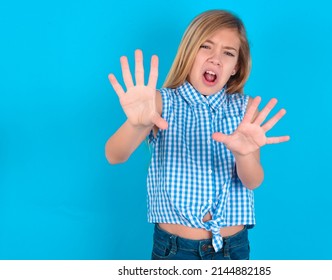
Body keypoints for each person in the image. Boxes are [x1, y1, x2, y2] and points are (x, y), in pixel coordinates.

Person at [105, 9, 290, 260]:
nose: (216, 59)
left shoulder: (245, 111)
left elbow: (253, 181)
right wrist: (137, 125)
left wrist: (243, 154)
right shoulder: (160, 103)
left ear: (236, 67)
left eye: (228, 53)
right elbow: (115, 155)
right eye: (206, 46)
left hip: (232, 249)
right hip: (175, 251)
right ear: (189, 53)